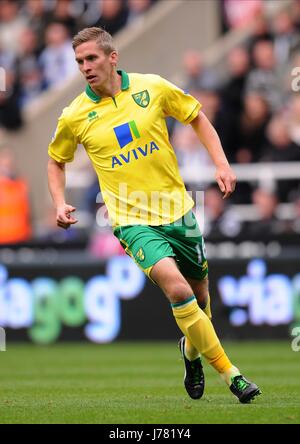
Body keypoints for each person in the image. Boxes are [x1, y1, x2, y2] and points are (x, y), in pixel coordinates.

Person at [47, 27, 261, 404]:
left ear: (113, 58)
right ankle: (234, 376)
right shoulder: (75, 115)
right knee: (177, 290)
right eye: (79, 61)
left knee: (200, 300)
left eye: (92, 58)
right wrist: (59, 201)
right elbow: (55, 160)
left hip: (178, 211)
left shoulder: (153, 88)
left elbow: (196, 117)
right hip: (131, 220)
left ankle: (191, 353)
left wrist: (222, 164)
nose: (85, 67)